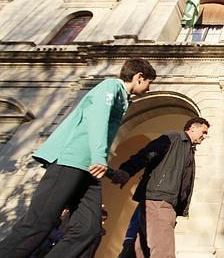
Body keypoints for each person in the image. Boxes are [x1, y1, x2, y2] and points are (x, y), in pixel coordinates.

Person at [0, 58, 157, 258]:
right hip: (69, 161)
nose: (149, 88)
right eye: (149, 83)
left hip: (88, 170)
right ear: (139, 77)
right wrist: (100, 157)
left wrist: (110, 172)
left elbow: (100, 136)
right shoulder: (110, 87)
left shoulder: (124, 98)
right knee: (39, 223)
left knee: (89, 230)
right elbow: (97, 120)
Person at [111, 117, 210, 258]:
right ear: (193, 127)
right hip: (159, 201)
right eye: (203, 132)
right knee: (164, 252)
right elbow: (148, 152)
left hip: (165, 204)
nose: (204, 136)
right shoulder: (174, 138)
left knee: (138, 251)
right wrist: (127, 170)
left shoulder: (188, 150)